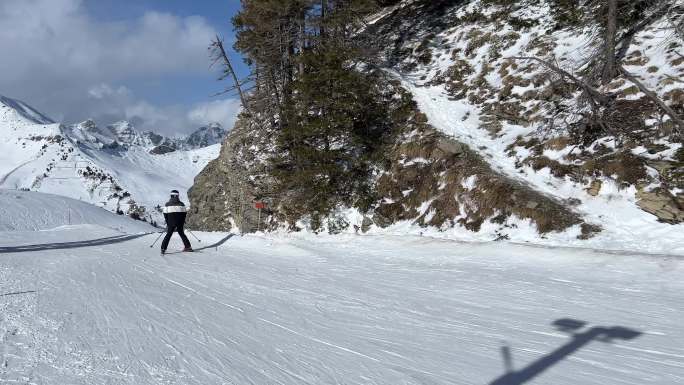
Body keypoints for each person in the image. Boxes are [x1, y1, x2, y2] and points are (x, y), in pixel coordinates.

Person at [160, 189, 192, 254]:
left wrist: (168, 222)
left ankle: (163, 248)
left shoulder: (167, 204)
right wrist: (183, 221)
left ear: (171, 196)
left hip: (171, 222)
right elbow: (184, 214)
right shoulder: (181, 204)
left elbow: (165, 214)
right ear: (177, 196)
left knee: (168, 234)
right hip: (180, 222)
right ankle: (188, 247)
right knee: (181, 233)